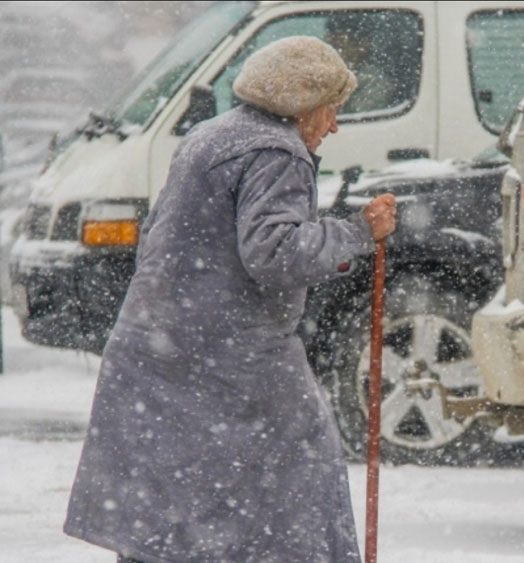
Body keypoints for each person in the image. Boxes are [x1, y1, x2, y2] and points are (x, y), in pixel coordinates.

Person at [63, 36, 395, 563]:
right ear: (302, 106)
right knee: (295, 468)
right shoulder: (277, 151)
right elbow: (275, 252)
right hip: (230, 352)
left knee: (174, 488)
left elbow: (163, 235)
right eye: (331, 110)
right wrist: (358, 231)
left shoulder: (210, 135)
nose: (334, 126)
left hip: (158, 342)